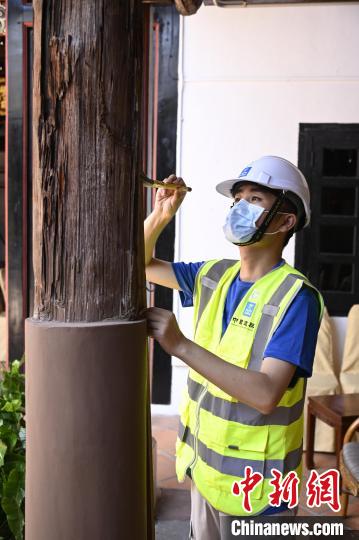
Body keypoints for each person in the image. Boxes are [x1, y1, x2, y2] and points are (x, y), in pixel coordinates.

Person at [144, 156, 324, 540]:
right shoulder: (214, 275)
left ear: (286, 221)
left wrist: (180, 345)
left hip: (258, 492)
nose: (239, 207)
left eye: (254, 199)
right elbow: (138, 263)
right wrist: (160, 215)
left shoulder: (297, 297)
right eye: (237, 198)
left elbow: (265, 394)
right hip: (205, 472)